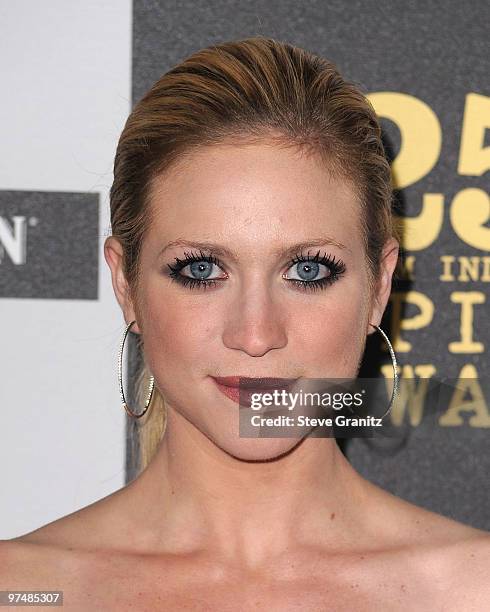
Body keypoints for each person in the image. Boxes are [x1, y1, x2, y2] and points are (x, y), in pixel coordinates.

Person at [2, 36, 489, 610]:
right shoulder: (23, 591)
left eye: (308, 270)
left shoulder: (472, 589)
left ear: (378, 286)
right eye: (202, 269)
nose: (256, 334)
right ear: (126, 284)